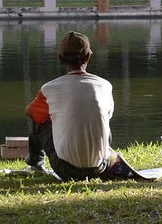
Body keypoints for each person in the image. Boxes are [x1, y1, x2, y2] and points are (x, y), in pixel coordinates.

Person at [25, 31, 123, 181]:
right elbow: (107, 115)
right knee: (101, 120)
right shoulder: (105, 86)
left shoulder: (50, 89)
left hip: (65, 170)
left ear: (60, 58)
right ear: (88, 57)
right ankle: (103, 154)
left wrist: (52, 114)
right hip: (100, 168)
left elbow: (29, 112)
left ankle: (36, 164)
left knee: (36, 117)